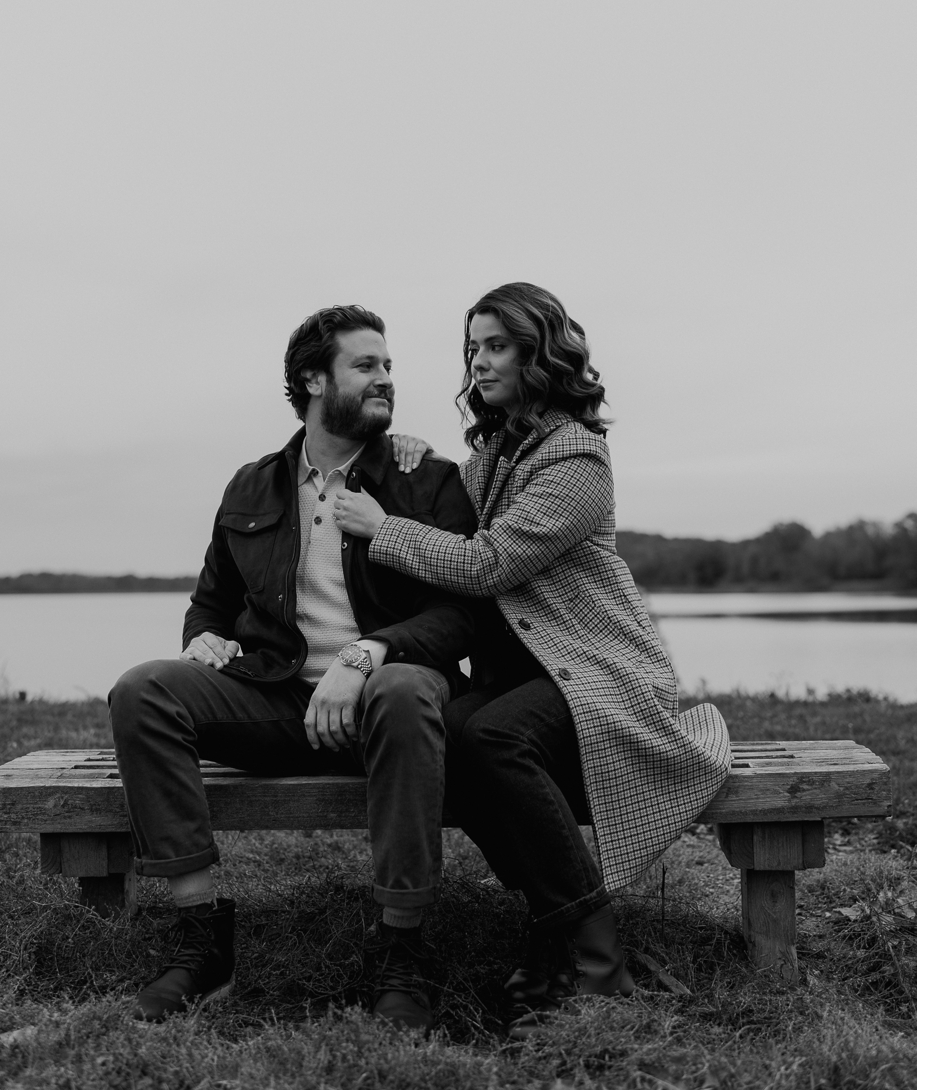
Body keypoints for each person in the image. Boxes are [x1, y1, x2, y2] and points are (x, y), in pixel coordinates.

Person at [335, 281, 731, 1033]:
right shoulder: (490, 454)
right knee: (447, 730)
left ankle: (596, 960)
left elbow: (487, 563)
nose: (479, 362)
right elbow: (454, 509)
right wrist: (402, 455)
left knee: (493, 738)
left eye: (497, 346)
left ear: (538, 352)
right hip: (529, 674)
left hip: (600, 670)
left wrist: (383, 527)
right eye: (472, 348)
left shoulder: (577, 458)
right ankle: (550, 927)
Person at [107, 304, 491, 1029]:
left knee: (406, 691)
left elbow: (463, 615)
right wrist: (205, 643)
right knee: (142, 690)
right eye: (367, 366)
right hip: (278, 699)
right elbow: (210, 603)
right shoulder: (252, 486)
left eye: (388, 367)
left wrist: (367, 653)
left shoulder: (427, 481)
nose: (386, 380)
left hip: (391, 698)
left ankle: (399, 948)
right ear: (314, 379)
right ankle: (200, 939)